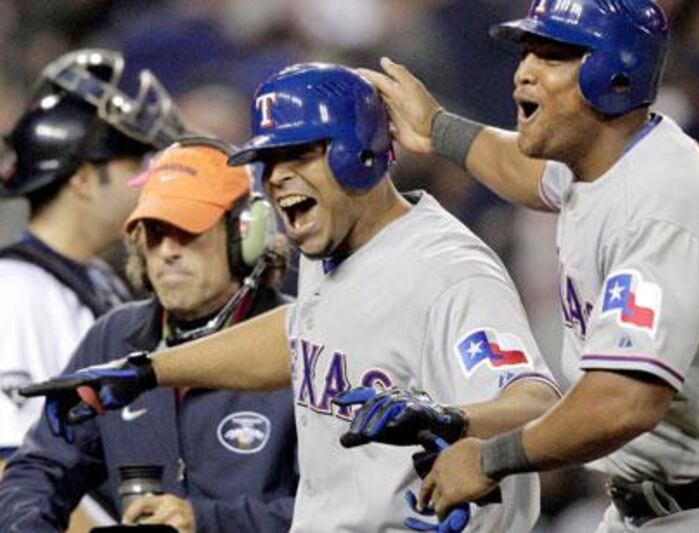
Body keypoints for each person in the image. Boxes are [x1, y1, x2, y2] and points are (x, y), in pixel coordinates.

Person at [21, 63, 561, 532]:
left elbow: (533, 404)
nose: (276, 177)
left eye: (297, 154)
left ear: (361, 152)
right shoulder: (341, 252)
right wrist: (149, 371)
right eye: (270, 160)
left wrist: (453, 419)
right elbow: (301, 333)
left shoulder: (447, 272)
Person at [352, 0, 699, 531]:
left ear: (613, 74)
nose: (524, 70)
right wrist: (439, 129)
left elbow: (622, 403)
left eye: (552, 55)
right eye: (526, 52)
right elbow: (525, 169)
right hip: (663, 499)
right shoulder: (606, 156)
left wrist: (488, 458)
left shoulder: (660, 206)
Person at [0, 137, 298, 532]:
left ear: (245, 236)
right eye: (155, 231)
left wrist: (207, 522)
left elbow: (351, 510)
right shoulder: (113, 338)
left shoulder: (299, 338)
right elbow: (40, 468)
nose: (168, 250)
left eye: (187, 229)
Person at [0, 48, 187, 459]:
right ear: (83, 179)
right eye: (132, 162)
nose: (145, 178)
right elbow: (11, 470)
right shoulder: (15, 290)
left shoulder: (98, 277)